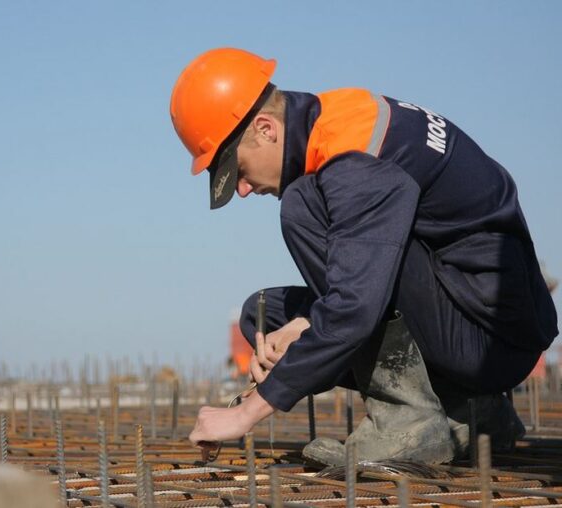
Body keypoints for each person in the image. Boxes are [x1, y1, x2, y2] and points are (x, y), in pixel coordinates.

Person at [171, 48, 558, 465]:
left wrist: (247, 413)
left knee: (302, 205)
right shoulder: (338, 116)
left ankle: (408, 420)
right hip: (466, 308)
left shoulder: (353, 160)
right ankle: (473, 413)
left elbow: (356, 306)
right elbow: (373, 275)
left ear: (265, 129)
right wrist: (306, 322)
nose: (244, 190)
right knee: (263, 316)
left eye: (239, 171)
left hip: (488, 338)